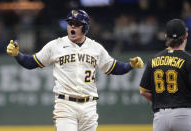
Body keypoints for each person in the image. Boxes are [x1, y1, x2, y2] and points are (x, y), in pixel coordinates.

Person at [7, 9, 144, 131]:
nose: (72, 26)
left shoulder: (95, 48)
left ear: (85, 28)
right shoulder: (56, 45)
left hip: (89, 106)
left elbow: (113, 67)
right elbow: (31, 63)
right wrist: (17, 55)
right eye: (70, 23)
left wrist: (130, 66)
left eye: (77, 24)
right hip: (65, 105)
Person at [139, 18, 191, 131]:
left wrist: (160, 100)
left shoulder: (154, 59)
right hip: (184, 114)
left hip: (160, 117)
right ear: (186, 35)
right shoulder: (188, 60)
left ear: (166, 36)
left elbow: (143, 91)